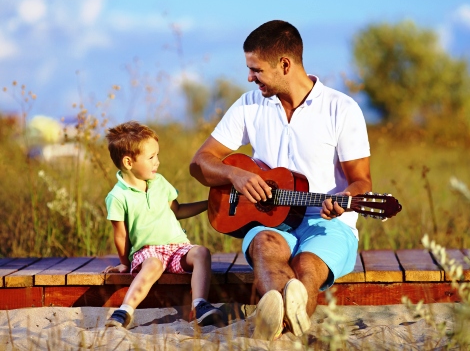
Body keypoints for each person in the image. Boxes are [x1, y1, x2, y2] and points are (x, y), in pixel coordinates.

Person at [189, 20, 371, 340]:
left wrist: (343, 199)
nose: (249, 77)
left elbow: (361, 181)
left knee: (307, 268)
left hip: (326, 223)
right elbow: (200, 163)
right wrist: (236, 174)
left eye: (256, 69)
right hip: (270, 223)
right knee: (264, 243)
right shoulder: (249, 104)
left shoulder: (341, 109)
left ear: (284, 65)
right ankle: (286, 320)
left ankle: (273, 319)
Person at [103, 121, 224, 329]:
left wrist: (208, 204)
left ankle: (200, 305)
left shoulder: (159, 182)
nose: (157, 162)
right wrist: (124, 262)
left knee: (201, 252)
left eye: (157, 155)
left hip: (177, 248)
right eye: (151, 157)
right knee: (154, 265)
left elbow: (177, 211)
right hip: (147, 252)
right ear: (128, 162)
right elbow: (120, 235)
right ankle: (124, 310)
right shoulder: (118, 196)